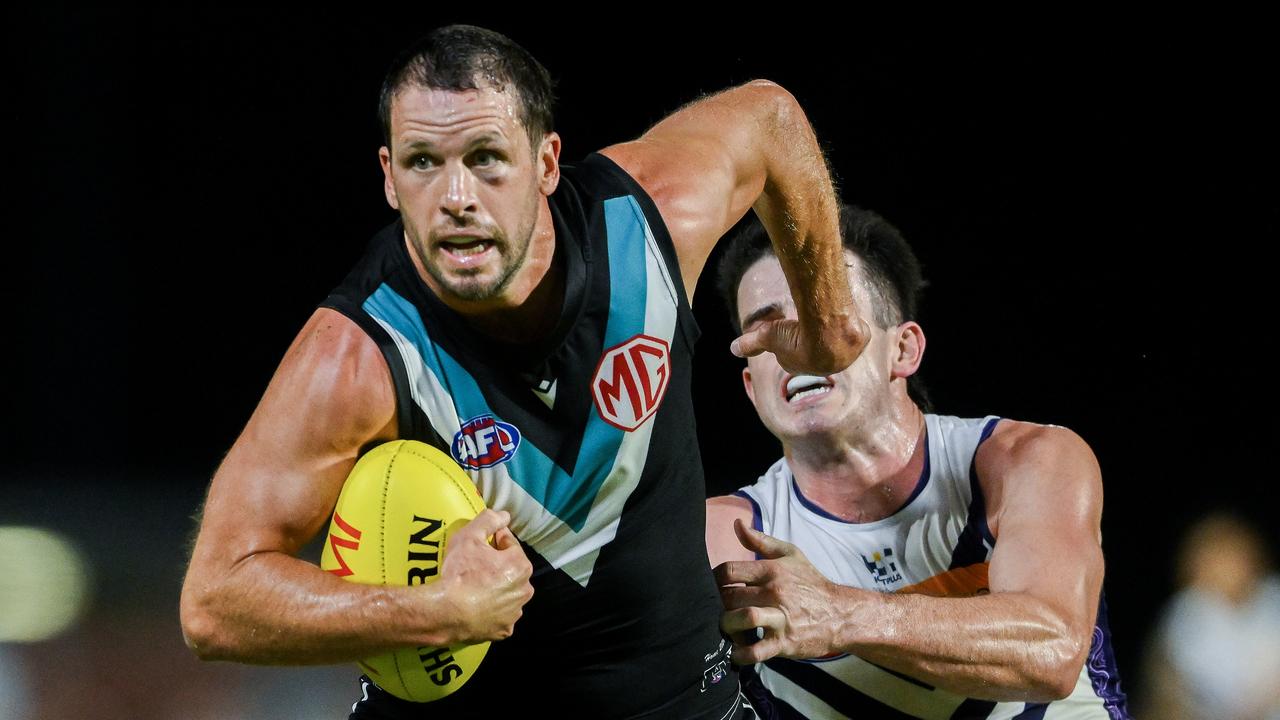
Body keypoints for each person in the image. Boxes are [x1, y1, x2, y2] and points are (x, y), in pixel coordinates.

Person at [179, 25, 866, 719]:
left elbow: (770, 116)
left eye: (486, 159)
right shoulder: (360, 355)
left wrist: (830, 320)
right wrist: (433, 612)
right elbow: (214, 602)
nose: (455, 196)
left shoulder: (650, 223)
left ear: (546, 163)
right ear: (388, 177)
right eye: (423, 162)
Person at [705, 205, 1131, 719]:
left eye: (822, 316)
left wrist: (839, 615)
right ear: (752, 388)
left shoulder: (1024, 461)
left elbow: (1053, 653)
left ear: (903, 349)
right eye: (765, 329)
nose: (795, 347)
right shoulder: (724, 535)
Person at [1140, 512, 1280, 720]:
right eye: (1215, 559)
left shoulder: (1271, 598)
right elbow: (1171, 687)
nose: (1225, 569)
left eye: (1232, 558)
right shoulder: (1185, 615)